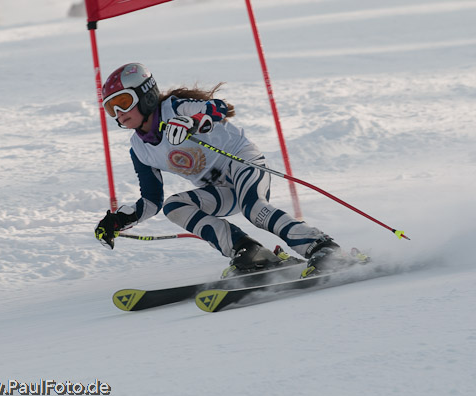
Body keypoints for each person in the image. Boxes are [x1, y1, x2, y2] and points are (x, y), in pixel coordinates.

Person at [94, 62, 345, 278]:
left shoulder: (176, 108)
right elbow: (151, 200)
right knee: (175, 207)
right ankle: (248, 252)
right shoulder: (139, 148)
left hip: (241, 162)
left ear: (146, 94)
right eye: (110, 108)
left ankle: (321, 247)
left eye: (123, 102)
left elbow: (218, 108)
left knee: (254, 208)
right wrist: (119, 220)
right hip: (219, 188)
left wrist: (194, 122)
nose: (118, 113)